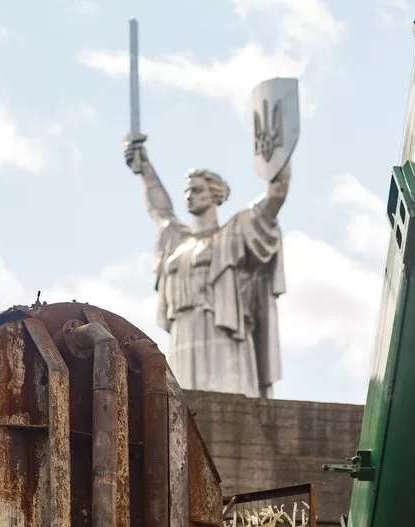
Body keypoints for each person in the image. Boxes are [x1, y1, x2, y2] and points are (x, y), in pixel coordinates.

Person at [124, 134, 290, 398]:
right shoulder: (177, 239)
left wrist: (278, 153)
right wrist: (145, 170)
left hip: (223, 333)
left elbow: (276, 195)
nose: (190, 196)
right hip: (183, 332)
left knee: (228, 402)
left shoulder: (235, 233)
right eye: (187, 191)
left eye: (197, 190)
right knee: (184, 406)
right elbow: (160, 210)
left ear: (215, 194)